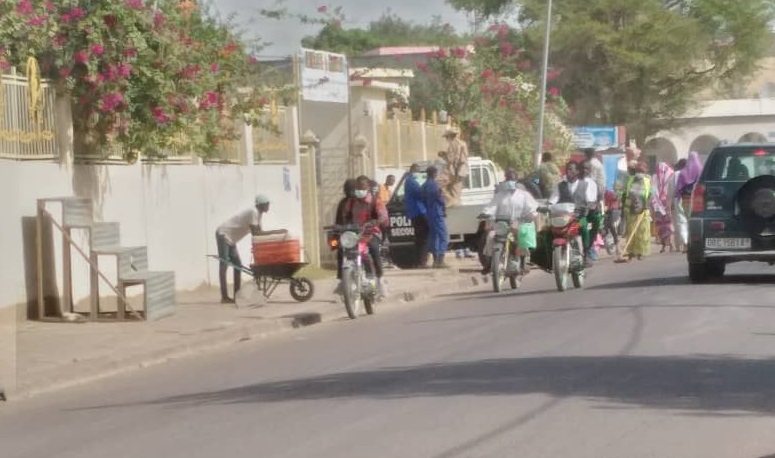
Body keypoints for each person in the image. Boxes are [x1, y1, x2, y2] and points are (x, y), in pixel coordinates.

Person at [215, 195, 287, 303]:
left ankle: (237, 295)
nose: (268, 206)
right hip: (223, 234)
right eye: (267, 204)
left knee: (238, 266)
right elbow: (256, 233)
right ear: (261, 205)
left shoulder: (258, 215)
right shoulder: (253, 212)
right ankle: (224, 297)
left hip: (232, 239)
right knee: (224, 264)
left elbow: (259, 234)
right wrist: (277, 231)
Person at [479, 169, 539, 275]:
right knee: (489, 237)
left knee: (521, 238)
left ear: (516, 181)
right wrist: (485, 214)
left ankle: (523, 262)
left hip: (518, 223)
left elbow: (533, 209)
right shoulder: (500, 195)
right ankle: (489, 262)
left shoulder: (524, 195)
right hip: (502, 225)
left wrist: (530, 216)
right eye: (508, 178)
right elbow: (491, 207)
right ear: (505, 180)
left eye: (513, 179)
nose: (510, 181)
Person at [339, 175, 390, 297]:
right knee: (344, 250)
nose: (359, 190)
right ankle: (344, 281)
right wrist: (341, 226)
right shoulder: (351, 202)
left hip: (371, 232)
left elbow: (383, 216)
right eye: (357, 187)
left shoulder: (375, 201)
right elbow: (344, 216)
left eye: (362, 187)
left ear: (367, 188)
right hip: (355, 234)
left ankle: (380, 280)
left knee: (373, 249)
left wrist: (375, 222)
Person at [548, 161, 597, 266]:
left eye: (571, 169)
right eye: (567, 169)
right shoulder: (560, 186)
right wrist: (546, 206)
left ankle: (586, 254)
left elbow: (590, 200)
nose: (569, 171)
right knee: (548, 230)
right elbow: (553, 200)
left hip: (579, 217)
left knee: (584, 229)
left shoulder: (585, 185)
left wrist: (590, 205)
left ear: (577, 171)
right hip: (564, 218)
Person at [622, 160, 653, 260]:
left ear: (645, 172)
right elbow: (624, 194)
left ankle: (641, 252)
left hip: (643, 211)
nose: (640, 173)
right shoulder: (630, 180)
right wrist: (624, 207)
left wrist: (646, 205)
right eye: (638, 171)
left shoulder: (647, 181)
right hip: (631, 210)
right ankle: (631, 252)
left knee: (642, 232)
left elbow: (650, 195)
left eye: (642, 171)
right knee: (631, 232)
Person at [423, 165, 450, 268]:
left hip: (429, 213)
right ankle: (440, 260)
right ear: (434, 174)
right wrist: (444, 208)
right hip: (437, 213)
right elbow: (440, 199)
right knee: (443, 236)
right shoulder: (435, 186)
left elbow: (423, 199)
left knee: (434, 236)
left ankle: (435, 260)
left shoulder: (425, 185)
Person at [404, 163, 429, 268]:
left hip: (415, 212)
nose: (418, 173)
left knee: (420, 238)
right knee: (423, 238)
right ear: (413, 170)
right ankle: (421, 262)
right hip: (418, 212)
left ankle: (419, 262)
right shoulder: (411, 182)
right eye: (417, 171)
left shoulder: (410, 181)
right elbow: (420, 194)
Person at [438, 126, 469, 207]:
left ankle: (450, 200)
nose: (446, 139)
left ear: (449, 136)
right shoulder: (463, 144)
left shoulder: (452, 144)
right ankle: (454, 202)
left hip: (453, 171)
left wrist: (444, 155)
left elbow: (451, 159)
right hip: (461, 171)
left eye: (446, 137)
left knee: (438, 184)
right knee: (456, 193)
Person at [582, 159, 604, 260]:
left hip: (590, 211)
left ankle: (589, 246)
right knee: (584, 228)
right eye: (582, 168)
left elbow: (597, 198)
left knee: (597, 219)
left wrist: (596, 207)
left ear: (590, 170)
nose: (584, 170)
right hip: (579, 214)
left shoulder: (593, 183)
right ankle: (585, 251)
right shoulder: (573, 181)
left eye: (587, 169)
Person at [651, 162, 675, 253]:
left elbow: (671, 191)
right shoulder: (655, 178)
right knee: (661, 228)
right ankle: (664, 246)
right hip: (658, 206)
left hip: (665, 206)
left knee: (668, 227)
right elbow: (653, 192)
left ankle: (671, 245)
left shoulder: (670, 177)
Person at [672, 159, 689, 253]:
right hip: (690, 199)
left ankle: (685, 243)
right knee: (689, 221)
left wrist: (670, 202)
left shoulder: (676, 174)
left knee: (681, 222)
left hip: (678, 199)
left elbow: (672, 189)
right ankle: (690, 243)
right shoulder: (691, 173)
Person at [603, 183, 622, 257]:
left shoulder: (610, 193)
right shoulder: (599, 194)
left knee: (612, 227)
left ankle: (617, 247)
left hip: (614, 211)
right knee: (604, 228)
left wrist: (608, 206)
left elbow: (615, 199)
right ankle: (613, 245)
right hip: (606, 212)